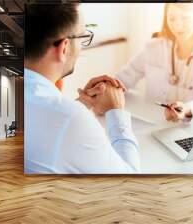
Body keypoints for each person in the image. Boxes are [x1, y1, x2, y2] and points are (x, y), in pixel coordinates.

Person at [24, 3, 140, 174]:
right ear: (64, 47)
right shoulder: (70, 118)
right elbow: (129, 180)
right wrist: (115, 112)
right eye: (82, 38)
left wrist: (82, 103)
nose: (81, 47)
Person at [113, 3, 193, 123]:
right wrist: (104, 87)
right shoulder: (153, 47)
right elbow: (123, 78)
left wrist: (188, 109)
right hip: (156, 121)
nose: (178, 25)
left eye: (185, 18)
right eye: (172, 18)